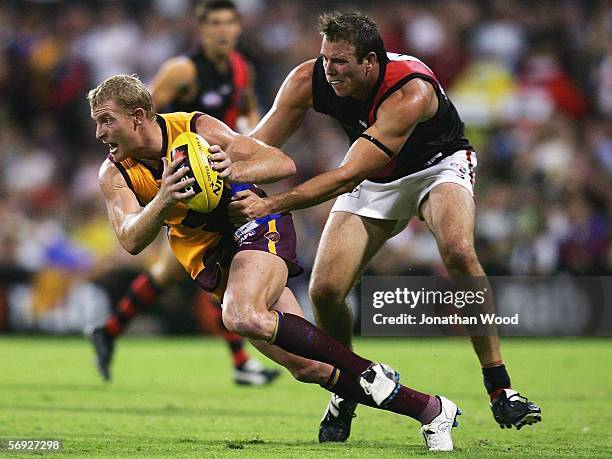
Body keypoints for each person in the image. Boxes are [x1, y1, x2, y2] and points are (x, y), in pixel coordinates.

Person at [88, 73, 461, 451]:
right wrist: (163, 199)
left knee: (240, 316)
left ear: (137, 116)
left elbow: (281, 163)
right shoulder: (114, 172)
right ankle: (431, 409)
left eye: (107, 120)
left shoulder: (196, 129)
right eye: (97, 123)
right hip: (212, 259)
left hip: (255, 226)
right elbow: (131, 239)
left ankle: (366, 371)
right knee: (307, 367)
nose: (100, 133)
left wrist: (234, 170)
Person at [228, 12, 541, 441]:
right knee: (325, 290)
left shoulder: (410, 90)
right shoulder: (308, 80)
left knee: (457, 250)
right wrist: (211, 173)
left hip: (437, 168)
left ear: (371, 63)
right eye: (324, 59)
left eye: (340, 62)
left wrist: (272, 204)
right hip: (375, 177)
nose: (329, 71)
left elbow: (344, 176)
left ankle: (500, 386)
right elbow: (256, 149)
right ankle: (349, 388)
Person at [88, 0, 279, 386]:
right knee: (203, 265)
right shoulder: (182, 71)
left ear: (238, 28)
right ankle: (241, 360)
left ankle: (109, 330)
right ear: (202, 30)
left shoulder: (242, 69)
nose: (224, 31)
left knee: (174, 272)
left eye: (230, 23)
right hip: (177, 177)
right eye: (215, 24)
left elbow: (248, 115)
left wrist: (245, 152)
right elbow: (140, 113)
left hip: (215, 175)